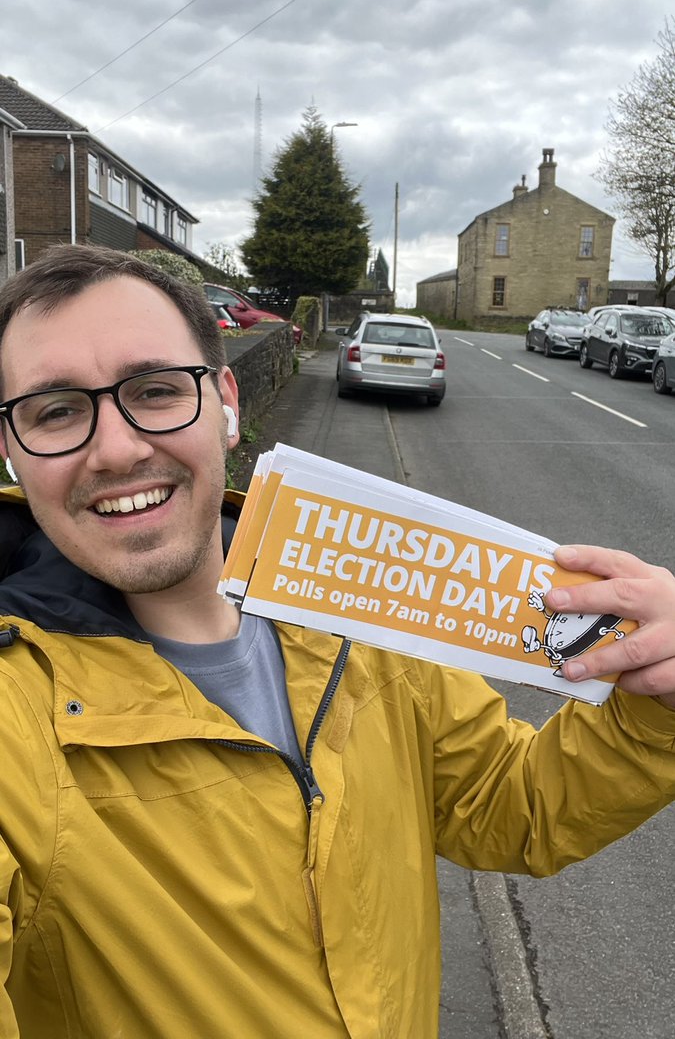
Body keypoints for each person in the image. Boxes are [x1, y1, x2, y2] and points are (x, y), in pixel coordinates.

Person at [0, 246, 674, 1039]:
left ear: (225, 402)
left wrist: (651, 708)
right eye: (56, 411)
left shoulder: (357, 600)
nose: (115, 449)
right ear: (10, 448)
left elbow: (509, 808)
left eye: (154, 391)